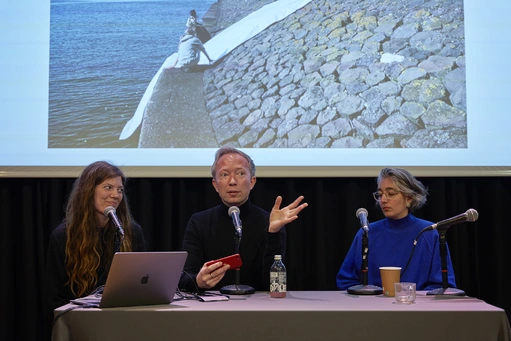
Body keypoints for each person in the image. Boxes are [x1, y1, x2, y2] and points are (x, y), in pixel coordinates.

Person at [179, 146, 308, 292]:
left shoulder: (270, 221)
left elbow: (274, 285)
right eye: (224, 175)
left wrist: (273, 233)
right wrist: (198, 281)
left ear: (252, 182)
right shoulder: (199, 222)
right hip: (212, 307)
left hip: (259, 307)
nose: (232, 181)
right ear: (215, 184)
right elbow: (183, 278)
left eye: (240, 173)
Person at [44, 161, 146, 338]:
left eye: (120, 189)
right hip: (82, 323)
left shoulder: (131, 232)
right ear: (88, 190)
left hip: (125, 321)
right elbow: (55, 297)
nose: (115, 195)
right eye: (108, 187)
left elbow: (143, 283)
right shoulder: (63, 236)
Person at [336, 167, 456, 291]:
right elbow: (346, 281)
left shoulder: (429, 233)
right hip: (372, 308)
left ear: (409, 198)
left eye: (391, 194)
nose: (383, 200)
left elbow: (442, 285)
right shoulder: (367, 232)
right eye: (380, 194)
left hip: (417, 308)